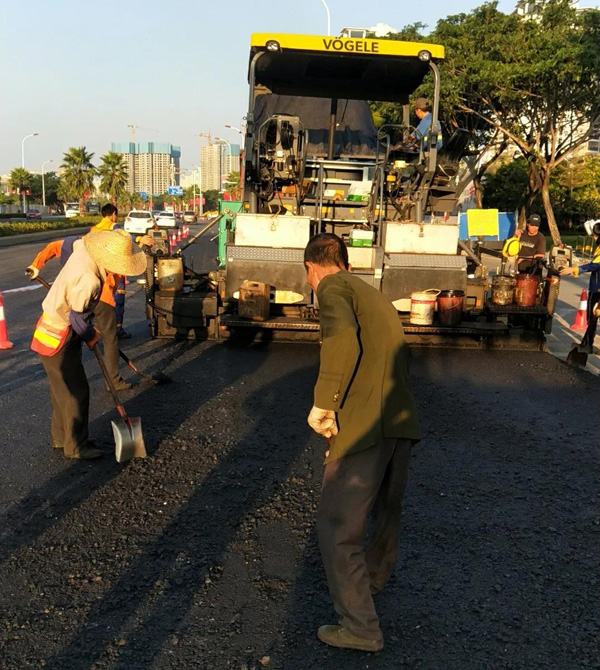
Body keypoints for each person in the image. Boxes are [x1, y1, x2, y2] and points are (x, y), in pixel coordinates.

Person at [304, 233, 421, 652]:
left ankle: (360, 627)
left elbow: (341, 340)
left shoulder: (332, 288)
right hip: (399, 423)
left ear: (311, 269)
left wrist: (325, 402)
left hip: (366, 426)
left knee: (337, 524)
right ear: (348, 264)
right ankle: (370, 581)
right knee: (385, 514)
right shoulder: (372, 294)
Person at [30, 229, 147, 459]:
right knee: (77, 391)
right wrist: (90, 336)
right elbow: (77, 319)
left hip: (47, 327)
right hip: (61, 334)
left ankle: (61, 438)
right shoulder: (90, 280)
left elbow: (67, 244)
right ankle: (76, 446)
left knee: (60, 390)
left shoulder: (83, 249)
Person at [27, 228, 153, 391]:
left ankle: (77, 366)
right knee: (109, 338)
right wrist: (90, 335)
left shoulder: (83, 243)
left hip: (82, 296)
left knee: (78, 331)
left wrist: (36, 265)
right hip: (101, 297)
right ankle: (113, 381)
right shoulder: (100, 266)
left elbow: (53, 246)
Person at [560, 220, 600, 364]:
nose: (593, 238)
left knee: (592, 317)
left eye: (595, 236)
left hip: (597, 290)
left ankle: (586, 344)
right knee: (593, 319)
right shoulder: (598, 248)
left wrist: (574, 269)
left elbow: (594, 265)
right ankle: (587, 343)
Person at [91, 204, 130, 339]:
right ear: (113, 214)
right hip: (114, 268)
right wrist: (140, 239)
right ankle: (117, 329)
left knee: (98, 299)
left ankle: (97, 329)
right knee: (118, 299)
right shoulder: (114, 227)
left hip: (97, 268)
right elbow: (126, 238)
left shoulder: (93, 229)